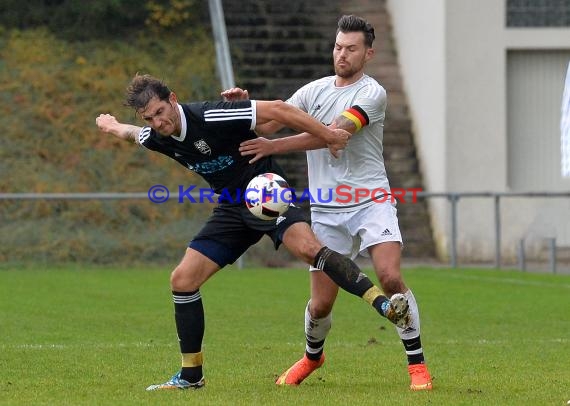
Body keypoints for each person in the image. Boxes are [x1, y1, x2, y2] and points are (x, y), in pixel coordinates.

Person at [95, 73, 412, 391]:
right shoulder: (157, 135)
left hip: (267, 194)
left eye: (161, 112)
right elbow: (133, 133)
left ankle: (382, 304)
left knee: (308, 250)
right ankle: (191, 376)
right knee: (182, 280)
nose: (158, 122)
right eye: (150, 118)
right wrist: (111, 126)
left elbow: (278, 109)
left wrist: (328, 136)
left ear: (173, 99)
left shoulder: (210, 113)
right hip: (232, 208)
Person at [225, 15, 433, 391]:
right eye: (338, 46)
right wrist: (246, 109)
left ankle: (416, 364)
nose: (342, 54)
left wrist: (274, 147)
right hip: (326, 208)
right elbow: (267, 125)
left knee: (389, 278)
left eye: (351, 48)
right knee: (320, 306)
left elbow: (335, 134)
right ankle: (312, 357)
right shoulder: (313, 90)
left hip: (371, 200)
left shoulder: (373, 93)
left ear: (368, 53)